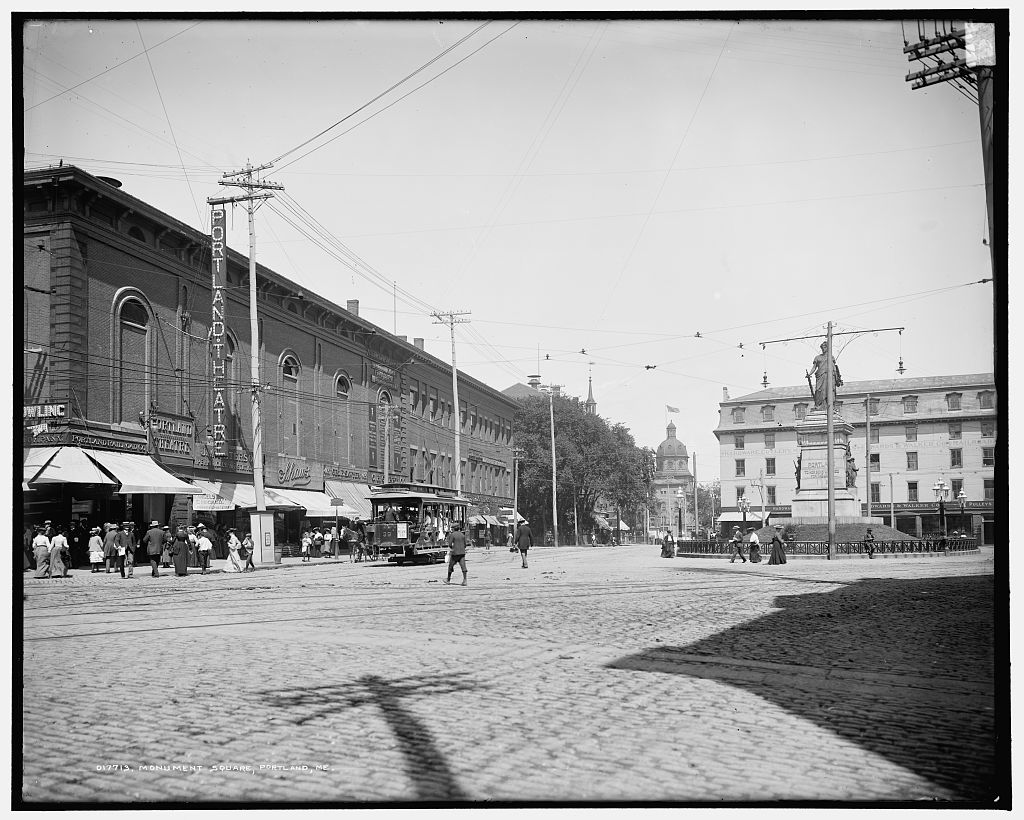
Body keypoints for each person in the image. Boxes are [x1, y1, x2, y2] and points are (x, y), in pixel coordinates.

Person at [809, 341, 843, 411]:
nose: (823, 349)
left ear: (827, 348)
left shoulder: (831, 357)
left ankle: (830, 406)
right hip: (820, 376)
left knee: (830, 390)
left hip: (830, 377)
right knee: (818, 390)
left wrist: (837, 378)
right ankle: (818, 405)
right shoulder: (817, 357)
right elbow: (814, 367)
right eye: (822, 347)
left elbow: (834, 368)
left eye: (824, 347)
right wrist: (809, 374)